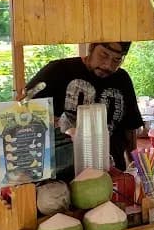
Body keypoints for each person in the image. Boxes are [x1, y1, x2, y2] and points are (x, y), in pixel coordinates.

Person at [24, 41, 143, 179]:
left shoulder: (122, 79)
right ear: (91, 47)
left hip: (112, 176)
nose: (108, 65)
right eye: (104, 55)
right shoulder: (57, 70)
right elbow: (25, 112)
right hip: (65, 178)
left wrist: (135, 167)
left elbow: (130, 127)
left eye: (117, 60)